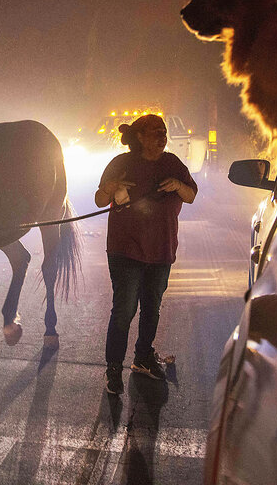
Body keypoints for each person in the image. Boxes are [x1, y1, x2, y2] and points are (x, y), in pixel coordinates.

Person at [94, 113, 198, 395]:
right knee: (125, 310)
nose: (162, 136)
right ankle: (114, 368)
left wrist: (178, 185)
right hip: (125, 250)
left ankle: (142, 358)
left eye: (164, 131)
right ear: (139, 136)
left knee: (152, 307)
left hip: (161, 249)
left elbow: (191, 195)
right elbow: (100, 200)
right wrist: (110, 188)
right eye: (156, 131)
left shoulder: (172, 164)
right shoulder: (121, 163)